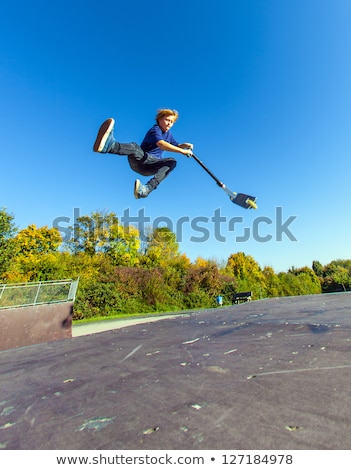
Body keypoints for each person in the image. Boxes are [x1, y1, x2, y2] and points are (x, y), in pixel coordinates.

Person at [93, 109, 194, 199]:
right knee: (134, 147)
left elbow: (175, 145)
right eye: (167, 120)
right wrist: (183, 151)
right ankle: (109, 146)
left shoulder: (168, 135)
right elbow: (162, 145)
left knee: (172, 161)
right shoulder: (155, 130)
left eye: (172, 122)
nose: (169, 124)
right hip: (141, 160)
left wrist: (183, 145)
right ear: (159, 120)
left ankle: (146, 189)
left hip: (151, 166)